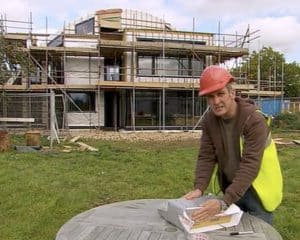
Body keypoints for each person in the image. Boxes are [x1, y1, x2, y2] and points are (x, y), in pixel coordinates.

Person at [184, 65, 283, 225]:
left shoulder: (254, 120)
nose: (216, 101)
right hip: (231, 188)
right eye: (210, 96)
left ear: (232, 93)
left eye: (221, 94)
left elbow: (250, 164)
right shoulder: (209, 121)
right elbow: (206, 156)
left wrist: (224, 202)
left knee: (258, 235)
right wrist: (199, 188)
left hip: (258, 193)